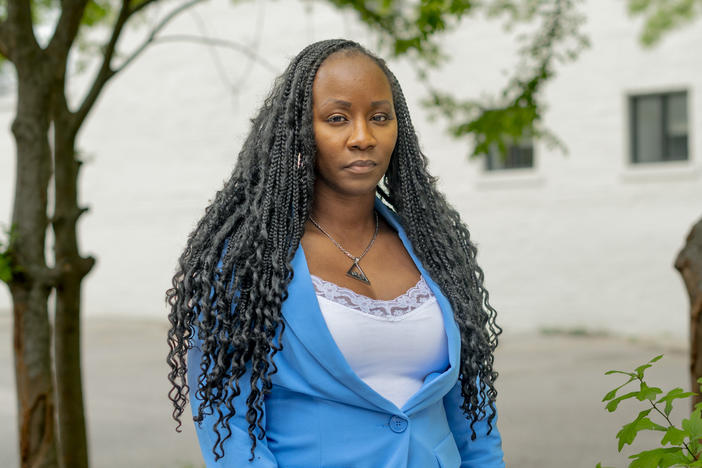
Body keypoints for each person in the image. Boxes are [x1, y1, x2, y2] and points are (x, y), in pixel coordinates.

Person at [166, 39, 504, 468]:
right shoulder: (248, 262)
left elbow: (475, 421)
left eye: (379, 117)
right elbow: (227, 421)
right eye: (337, 118)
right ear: (301, 130)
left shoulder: (436, 249)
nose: (363, 137)